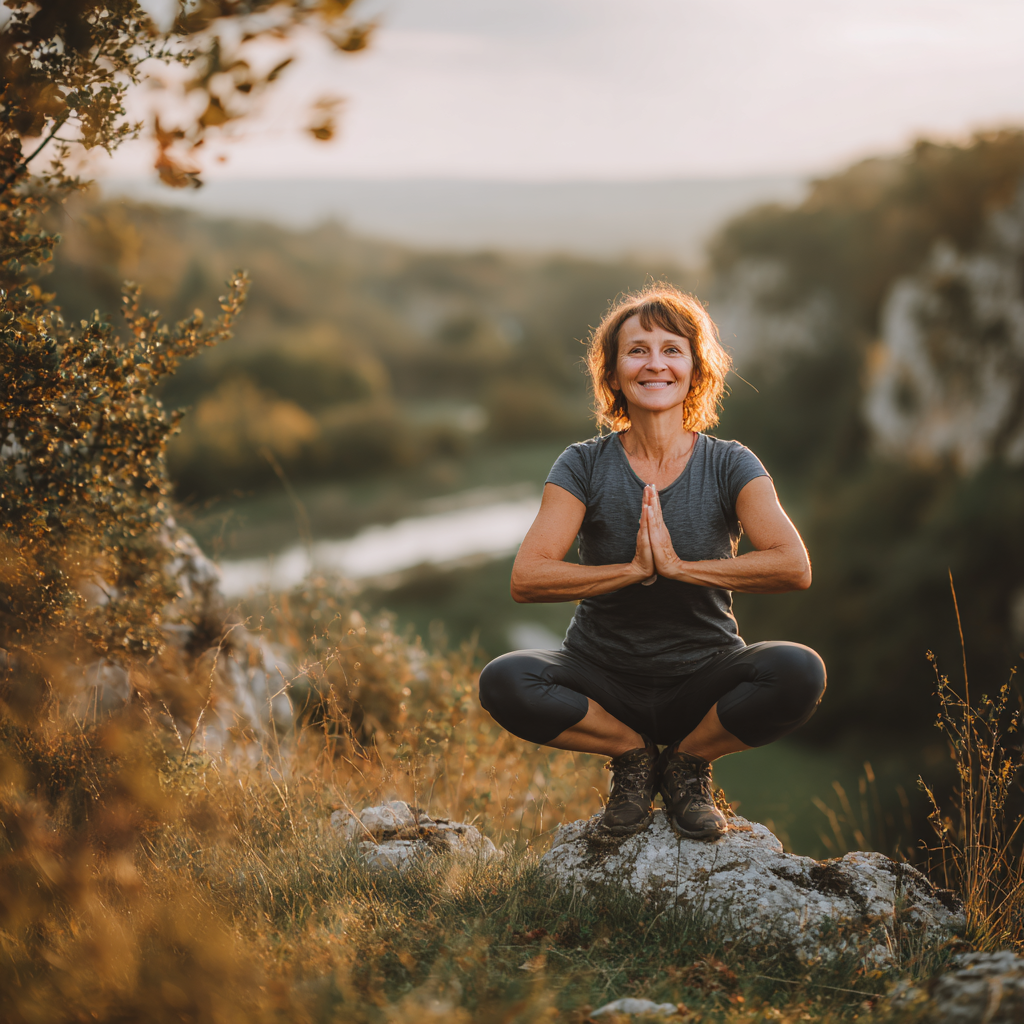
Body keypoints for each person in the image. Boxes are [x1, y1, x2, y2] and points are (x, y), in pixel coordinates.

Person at [478, 285, 826, 841]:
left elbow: (792, 566)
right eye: (637, 350)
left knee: (799, 670)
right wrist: (630, 572)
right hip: (603, 676)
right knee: (504, 680)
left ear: (695, 369)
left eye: (672, 349)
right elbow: (528, 576)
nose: (654, 363)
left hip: (703, 674)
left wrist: (681, 568)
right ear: (614, 374)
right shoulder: (583, 464)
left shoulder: (730, 463)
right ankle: (633, 757)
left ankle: (687, 764)